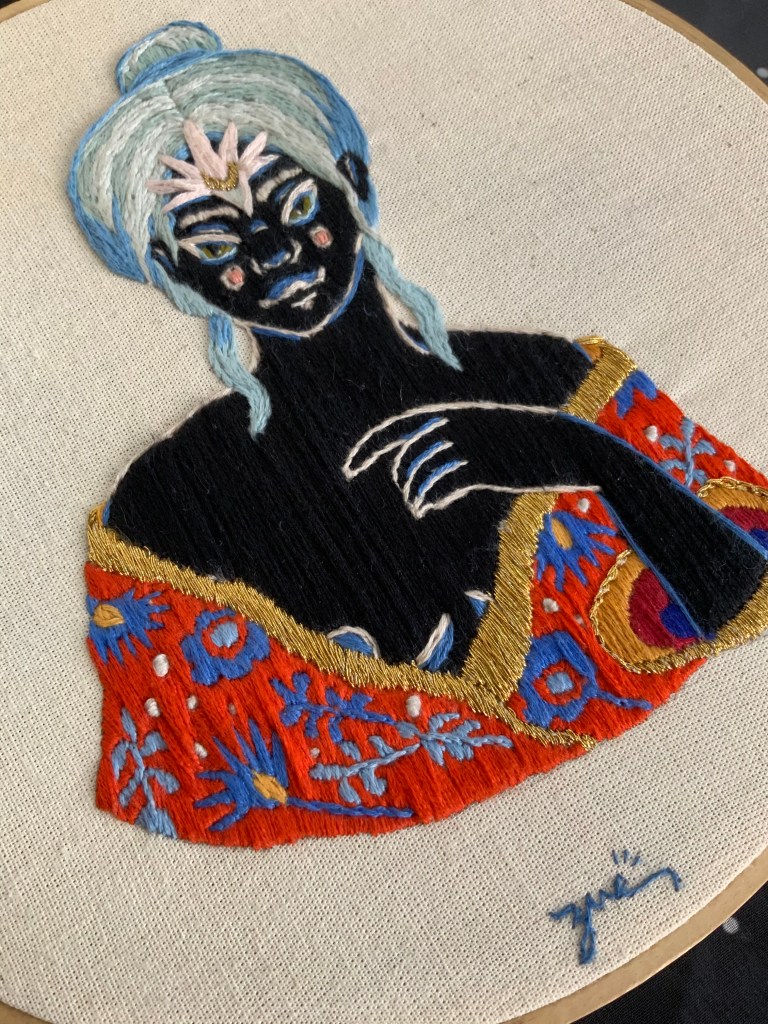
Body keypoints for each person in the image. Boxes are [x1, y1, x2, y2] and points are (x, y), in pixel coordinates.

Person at [70, 20, 768, 675]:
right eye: (218, 245)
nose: (275, 253)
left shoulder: (555, 379)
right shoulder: (173, 496)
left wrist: (579, 451)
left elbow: (740, 583)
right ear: (174, 273)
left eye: (299, 206)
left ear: (354, 184)